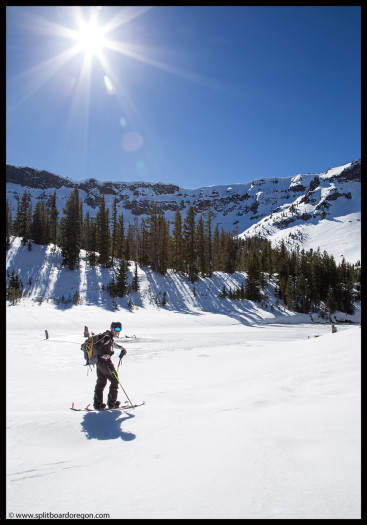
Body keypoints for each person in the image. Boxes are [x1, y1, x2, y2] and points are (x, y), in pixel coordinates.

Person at [93, 322, 127, 410]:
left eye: (119, 330)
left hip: (99, 363)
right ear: (112, 328)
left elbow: (112, 344)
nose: (117, 332)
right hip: (105, 362)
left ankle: (98, 404)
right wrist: (102, 355)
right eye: (116, 329)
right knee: (114, 380)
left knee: (101, 382)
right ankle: (112, 403)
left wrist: (121, 347)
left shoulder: (109, 337)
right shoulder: (107, 336)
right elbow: (96, 346)